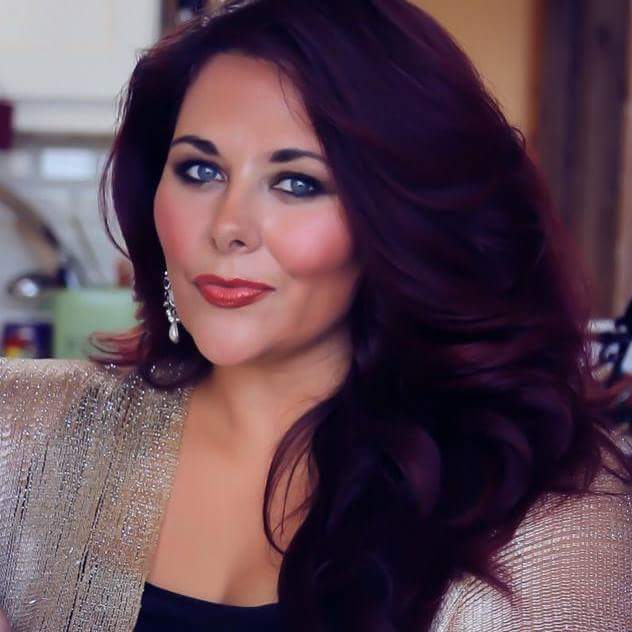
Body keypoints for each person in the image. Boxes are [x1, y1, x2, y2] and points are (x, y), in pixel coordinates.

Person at [0, 0, 630, 630]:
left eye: (298, 183)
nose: (228, 228)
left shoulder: (553, 519)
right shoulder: (21, 435)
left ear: (398, 220)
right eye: (199, 170)